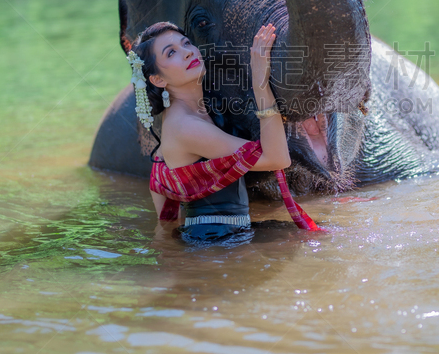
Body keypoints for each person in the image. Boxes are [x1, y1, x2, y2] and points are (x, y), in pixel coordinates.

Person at [126, 21, 319, 241]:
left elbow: (161, 194)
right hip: (216, 242)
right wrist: (260, 83)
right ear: (158, 79)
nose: (188, 52)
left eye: (186, 43)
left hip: (221, 236)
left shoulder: (190, 112)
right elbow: (277, 159)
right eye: (171, 53)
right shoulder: (185, 127)